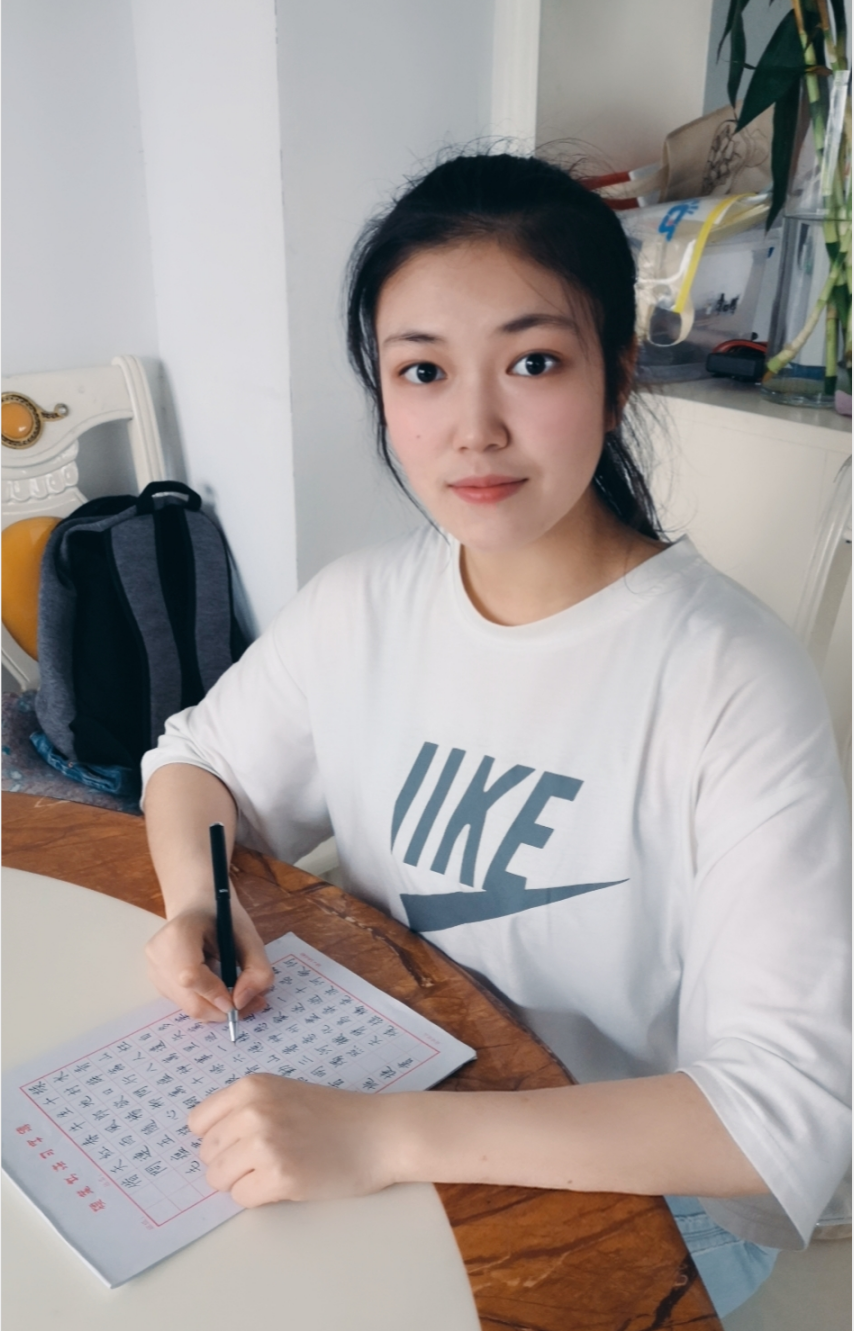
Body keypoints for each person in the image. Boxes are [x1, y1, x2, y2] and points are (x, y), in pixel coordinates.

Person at [141, 153, 850, 1318]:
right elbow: (193, 762)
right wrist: (196, 903)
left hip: (630, 1196)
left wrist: (382, 1137)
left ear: (616, 376)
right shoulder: (361, 603)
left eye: (531, 362)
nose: (472, 429)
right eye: (422, 370)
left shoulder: (728, 677)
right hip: (370, 1103)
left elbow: (778, 1115)